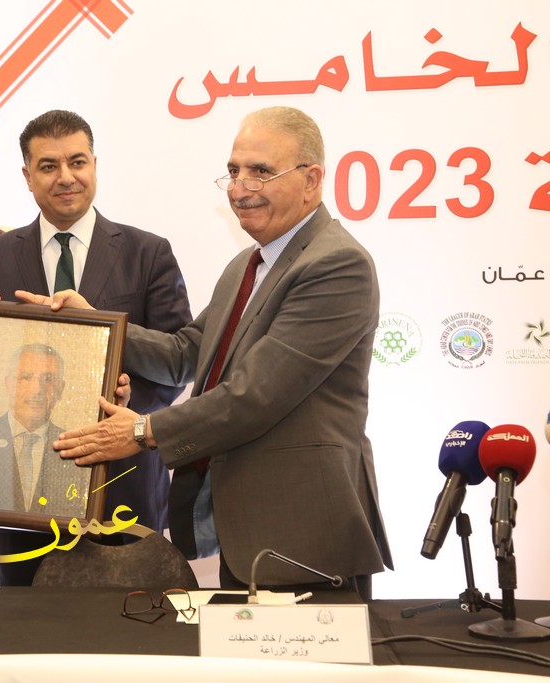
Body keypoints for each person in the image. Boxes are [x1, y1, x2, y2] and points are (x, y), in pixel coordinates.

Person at [23, 107, 393, 599]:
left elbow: (255, 395)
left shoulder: (337, 264)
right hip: (248, 534)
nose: (240, 189)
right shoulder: (248, 263)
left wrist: (141, 431)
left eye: (260, 171)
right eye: (234, 172)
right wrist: (94, 322)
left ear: (311, 180)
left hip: (304, 534)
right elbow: (185, 353)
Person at [0, 109, 192, 585]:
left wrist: (131, 401)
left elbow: (177, 361)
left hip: (122, 485)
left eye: (77, 162)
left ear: (94, 165)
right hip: (22, 495)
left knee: (130, 624)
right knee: (24, 625)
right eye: (48, 166)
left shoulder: (148, 252)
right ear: (28, 176)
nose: (66, 177)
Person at [0, 343, 86, 518]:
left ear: (61, 389)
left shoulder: (77, 450)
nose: (37, 389)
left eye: (48, 379)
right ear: (8, 385)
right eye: (26, 377)